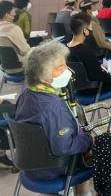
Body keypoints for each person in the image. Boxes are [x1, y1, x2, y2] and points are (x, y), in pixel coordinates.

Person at [15, 42, 93, 196]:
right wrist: (90, 139)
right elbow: (64, 148)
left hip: (29, 163)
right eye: (60, 67)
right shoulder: (53, 107)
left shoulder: (26, 93)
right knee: (105, 152)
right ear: (44, 78)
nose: (67, 70)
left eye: (65, 64)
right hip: (53, 167)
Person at [67, 13, 111, 94]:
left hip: (76, 88)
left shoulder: (66, 48)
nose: (92, 30)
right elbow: (97, 75)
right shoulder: (85, 51)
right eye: (91, 28)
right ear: (85, 31)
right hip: (92, 87)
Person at [0, 0, 30, 69]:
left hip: (4, 66)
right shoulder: (13, 29)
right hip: (19, 66)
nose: (15, 14)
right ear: (7, 15)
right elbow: (26, 51)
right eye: (14, 12)